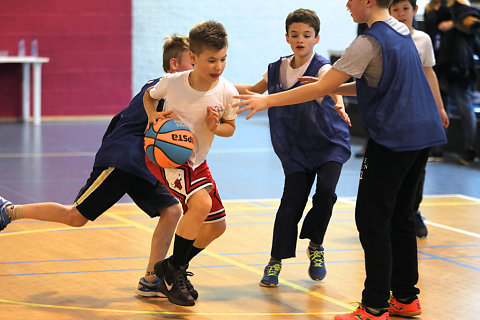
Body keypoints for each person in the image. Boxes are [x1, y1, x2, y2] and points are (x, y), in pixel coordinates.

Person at [234, 0, 447, 318]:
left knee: (372, 219)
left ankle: (375, 306)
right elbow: (373, 83)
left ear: (370, 1)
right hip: (423, 134)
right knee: (401, 217)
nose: (347, 4)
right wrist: (327, 88)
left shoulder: (367, 41)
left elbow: (321, 86)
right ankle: (405, 296)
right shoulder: (402, 31)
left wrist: (267, 101)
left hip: (394, 138)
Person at [0, 34, 194, 298]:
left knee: (171, 210)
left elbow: (215, 90)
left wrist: (250, 93)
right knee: (76, 216)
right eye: (193, 62)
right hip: (122, 159)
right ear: (174, 65)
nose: (199, 69)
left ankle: (151, 279)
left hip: (142, 164)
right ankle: (10, 211)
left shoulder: (182, 91)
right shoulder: (163, 86)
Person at [235, 8, 351, 288]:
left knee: (326, 194)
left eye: (306, 35)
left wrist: (339, 103)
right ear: (287, 37)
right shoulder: (276, 68)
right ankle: (275, 260)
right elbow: (254, 89)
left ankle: (316, 245)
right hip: (295, 147)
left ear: (317, 38)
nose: (300, 39)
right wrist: (211, 85)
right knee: (290, 206)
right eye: (295, 34)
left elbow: (334, 87)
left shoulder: (323, 67)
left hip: (328, 143)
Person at [143, 21, 238, 307]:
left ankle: (171, 266)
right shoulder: (173, 82)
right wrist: (153, 117)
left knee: (217, 225)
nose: (218, 65)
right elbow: (150, 97)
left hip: (197, 161)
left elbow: (230, 127)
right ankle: (174, 274)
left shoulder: (227, 90)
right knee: (201, 205)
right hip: (170, 158)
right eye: (211, 60)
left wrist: (216, 125)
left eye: (223, 59)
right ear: (193, 58)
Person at [389, 0, 450, 239]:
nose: (401, 14)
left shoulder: (423, 40)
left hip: (418, 114)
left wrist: (440, 108)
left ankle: (412, 211)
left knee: (418, 167)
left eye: (405, 9)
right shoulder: (384, 39)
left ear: (415, 10)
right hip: (392, 115)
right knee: (394, 167)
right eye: (396, 9)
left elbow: (429, 72)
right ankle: (393, 212)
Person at [424, 0, 479, 165]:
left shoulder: (461, 7)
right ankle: (438, 149)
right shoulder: (431, 8)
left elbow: (473, 25)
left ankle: (470, 149)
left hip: (459, 67)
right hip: (440, 65)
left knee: (464, 107)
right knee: (441, 108)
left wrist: (453, 24)